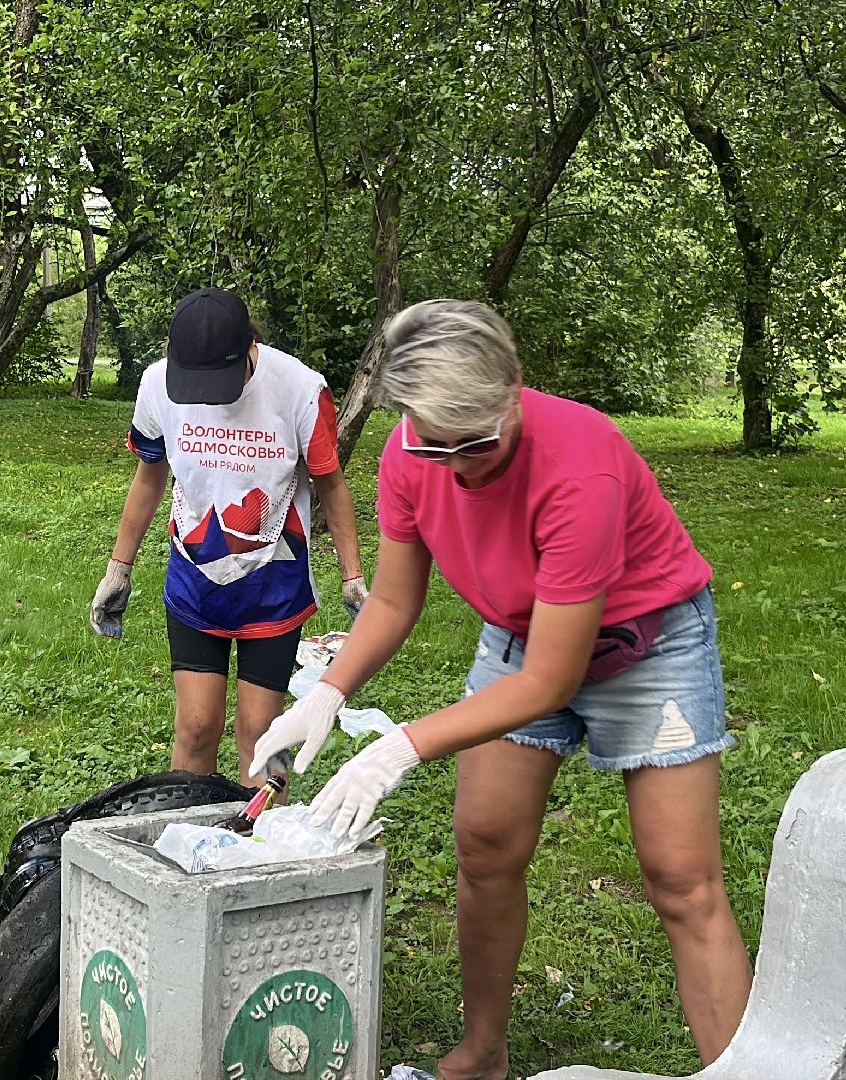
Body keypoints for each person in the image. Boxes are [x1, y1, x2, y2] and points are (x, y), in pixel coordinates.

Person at [249, 299, 753, 1080]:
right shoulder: (413, 453)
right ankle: (482, 1053)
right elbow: (393, 600)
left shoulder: (580, 464)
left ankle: (747, 1071)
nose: (458, 465)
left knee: (681, 880)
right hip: (519, 631)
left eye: (477, 441)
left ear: (514, 385)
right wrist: (327, 692)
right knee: (485, 846)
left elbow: (551, 679)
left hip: (648, 647)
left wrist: (399, 749)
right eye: (434, 443)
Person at [91, 287, 366, 786]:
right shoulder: (157, 384)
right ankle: (188, 840)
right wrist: (118, 569)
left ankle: (256, 852)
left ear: (247, 351)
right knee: (196, 727)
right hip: (196, 576)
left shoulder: (300, 389)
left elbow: (332, 485)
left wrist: (353, 577)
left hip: (273, 585)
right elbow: (148, 477)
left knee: (261, 734)